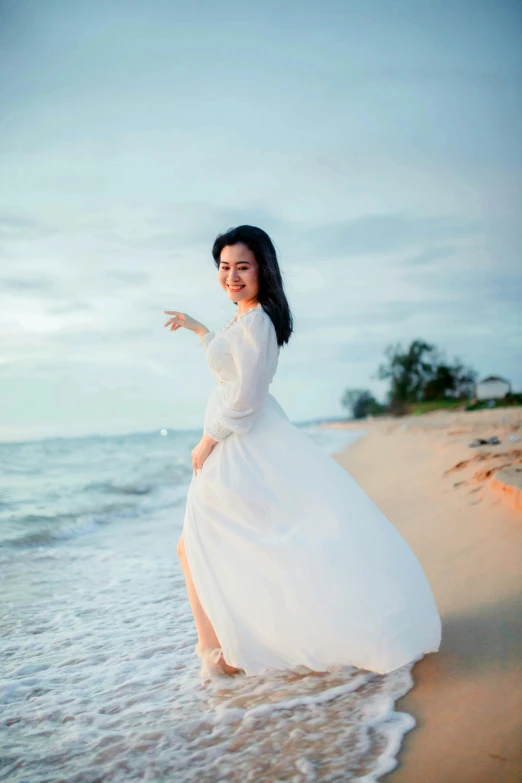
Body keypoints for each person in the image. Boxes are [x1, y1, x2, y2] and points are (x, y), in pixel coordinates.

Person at [164, 225, 441, 679]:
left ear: (262, 270)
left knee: (207, 547)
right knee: (220, 546)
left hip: (240, 444)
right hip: (242, 443)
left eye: (242, 267)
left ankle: (219, 655)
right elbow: (230, 365)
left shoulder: (257, 321)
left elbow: (246, 396)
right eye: (224, 267)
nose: (231, 276)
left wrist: (207, 440)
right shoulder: (245, 317)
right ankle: (223, 651)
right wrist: (198, 329)